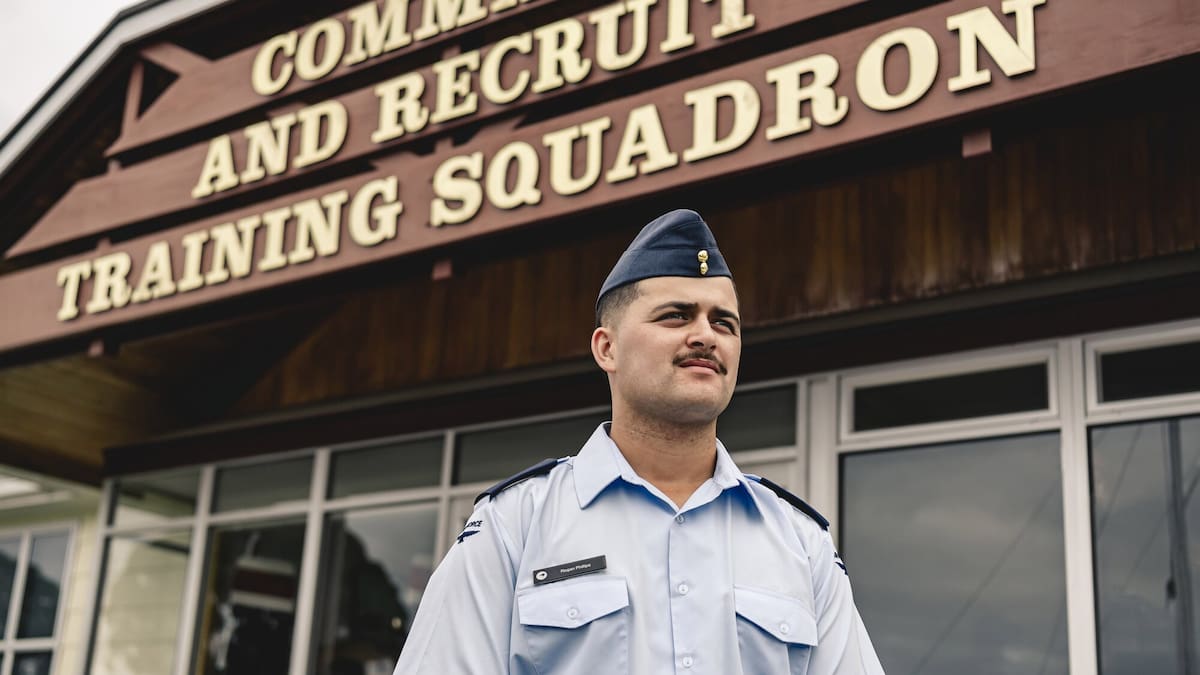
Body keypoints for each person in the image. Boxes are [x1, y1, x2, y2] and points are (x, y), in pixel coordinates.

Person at [393, 209, 885, 674]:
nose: (705, 336)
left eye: (724, 322)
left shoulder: (801, 541)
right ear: (607, 348)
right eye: (675, 315)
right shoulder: (514, 526)